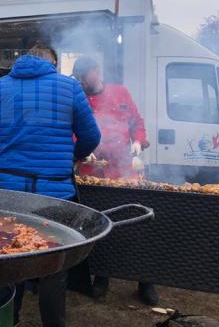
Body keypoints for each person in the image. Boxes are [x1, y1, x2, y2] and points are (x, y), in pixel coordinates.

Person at [0, 44, 101, 327]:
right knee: (53, 266)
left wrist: (10, 149)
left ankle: (10, 320)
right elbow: (91, 136)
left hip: (11, 190)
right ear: (51, 63)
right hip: (55, 193)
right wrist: (75, 154)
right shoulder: (68, 87)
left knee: (11, 258)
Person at [72, 56, 158, 306]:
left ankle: (146, 280)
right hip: (93, 171)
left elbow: (137, 124)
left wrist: (137, 141)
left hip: (123, 170)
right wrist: (80, 149)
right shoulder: (80, 98)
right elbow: (74, 131)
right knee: (100, 223)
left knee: (137, 227)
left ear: (97, 72)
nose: (83, 84)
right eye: (80, 80)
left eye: (85, 78)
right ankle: (103, 275)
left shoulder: (120, 93)